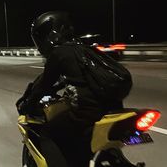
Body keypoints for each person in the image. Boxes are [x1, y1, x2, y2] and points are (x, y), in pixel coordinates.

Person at [16, 11, 126, 167]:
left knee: (48, 134)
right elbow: (79, 78)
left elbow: (43, 85)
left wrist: (28, 104)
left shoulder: (59, 53)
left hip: (87, 113)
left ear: (50, 35)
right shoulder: (84, 48)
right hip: (111, 109)